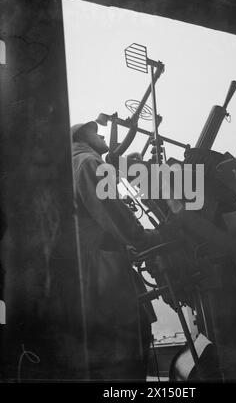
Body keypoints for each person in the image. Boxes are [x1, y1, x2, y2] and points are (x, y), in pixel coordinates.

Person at [71, 120, 160, 380]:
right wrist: (150, 237)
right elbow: (117, 218)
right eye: (93, 130)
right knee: (126, 346)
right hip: (103, 271)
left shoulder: (77, 164)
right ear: (80, 136)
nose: (99, 133)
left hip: (95, 269)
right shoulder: (89, 163)